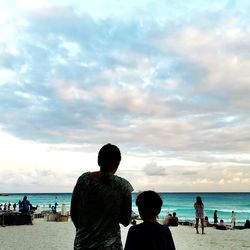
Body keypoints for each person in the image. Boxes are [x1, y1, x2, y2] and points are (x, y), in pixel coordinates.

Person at [71, 143, 133, 250]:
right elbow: (126, 221)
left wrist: (84, 231)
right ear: (118, 164)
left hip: (83, 244)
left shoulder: (84, 180)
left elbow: (73, 212)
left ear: (98, 161)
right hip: (111, 246)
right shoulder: (124, 186)